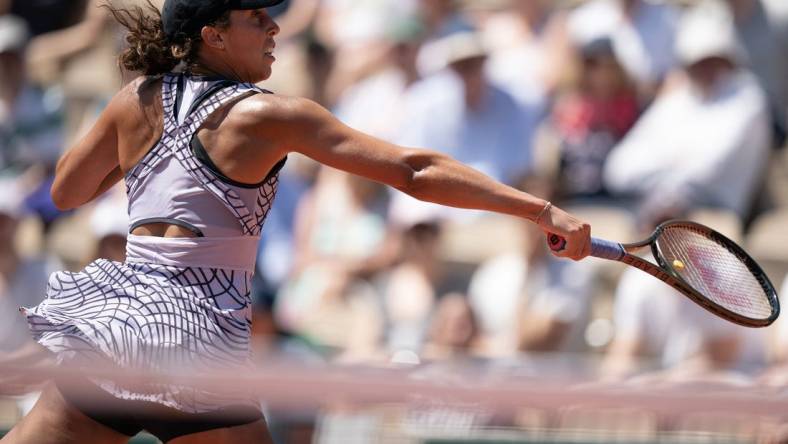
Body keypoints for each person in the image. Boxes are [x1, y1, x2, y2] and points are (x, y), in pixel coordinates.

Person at [1, 1, 591, 443]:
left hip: (120, 330)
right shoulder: (265, 115)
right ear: (212, 35)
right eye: (256, 17)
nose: (275, 27)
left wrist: (143, 153)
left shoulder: (137, 100)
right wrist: (540, 209)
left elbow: (67, 190)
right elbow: (414, 170)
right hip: (196, 341)